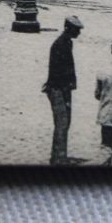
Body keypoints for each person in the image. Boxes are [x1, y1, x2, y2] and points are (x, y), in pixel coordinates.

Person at [43, 15, 82, 165]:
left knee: (64, 122)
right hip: (58, 88)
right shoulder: (62, 44)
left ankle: (59, 155)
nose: (79, 32)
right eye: (76, 29)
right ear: (68, 28)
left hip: (62, 87)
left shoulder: (66, 42)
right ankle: (59, 158)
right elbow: (59, 71)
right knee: (62, 122)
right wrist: (66, 90)